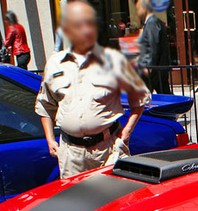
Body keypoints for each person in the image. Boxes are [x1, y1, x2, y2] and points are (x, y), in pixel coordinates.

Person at [36, 0, 151, 179]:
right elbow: (45, 105)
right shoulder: (54, 64)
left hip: (108, 151)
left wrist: (126, 132)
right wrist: (50, 140)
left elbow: (140, 98)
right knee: (79, 204)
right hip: (71, 155)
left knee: (114, 200)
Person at [135, 0, 171, 93]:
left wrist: (148, 68)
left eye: (138, 8)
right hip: (158, 70)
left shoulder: (152, 23)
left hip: (155, 71)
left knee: (148, 98)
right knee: (164, 97)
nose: (137, 12)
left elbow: (152, 47)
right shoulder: (152, 22)